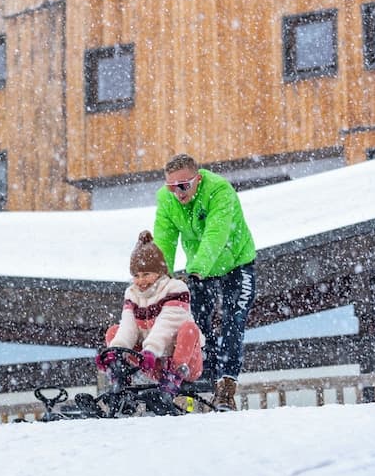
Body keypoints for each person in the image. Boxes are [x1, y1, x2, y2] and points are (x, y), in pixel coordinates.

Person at [153, 153, 256, 411]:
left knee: (233, 321)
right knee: (194, 323)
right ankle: (198, 379)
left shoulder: (219, 191)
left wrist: (197, 269)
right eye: (171, 187)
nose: (178, 193)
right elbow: (164, 240)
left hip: (236, 263)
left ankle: (226, 389)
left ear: (197, 179)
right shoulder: (166, 199)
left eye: (183, 186)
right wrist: (160, 276)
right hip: (200, 268)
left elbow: (215, 234)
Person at [97, 230, 205, 395]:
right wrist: (115, 352)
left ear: (159, 272)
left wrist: (151, 350)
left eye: (146, 274)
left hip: (185, 363)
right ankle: (121, 380)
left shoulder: (176, 289)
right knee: (114, 331)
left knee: (189, 329)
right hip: (151, 363)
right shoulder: (132, 293)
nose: (141, 281)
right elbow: (128, 327)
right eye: (136, 275)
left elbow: (166, 325)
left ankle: (173, 379)